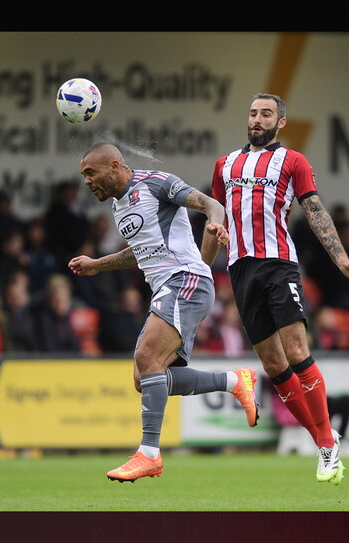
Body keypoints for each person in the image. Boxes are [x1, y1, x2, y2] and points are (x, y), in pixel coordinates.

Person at [210, 93, 349, 485]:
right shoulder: (224, 165)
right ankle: (323, 441)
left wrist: (341, 260)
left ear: (280, 122)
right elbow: (216, 217)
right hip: (240, 269)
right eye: (253, 113)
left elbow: (314, 210)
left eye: (266, 114)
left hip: (278, 264)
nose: (257, 119)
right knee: (273, 366)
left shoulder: (293, 161)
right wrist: (204, 265)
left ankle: (326, 443)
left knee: (298, 351)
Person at [69, 142, 260, 483]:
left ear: (114, 166)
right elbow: (140, 250)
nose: (86, 181)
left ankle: (149, 454)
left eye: (90, 173)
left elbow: (211, 204)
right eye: (84, 175)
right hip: (169, 288)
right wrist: (98, 264)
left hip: (184, 279)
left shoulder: (155, 183)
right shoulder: (119, 205)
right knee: (143, 378)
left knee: (147, 358)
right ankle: (234, 381)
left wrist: (215, 224)